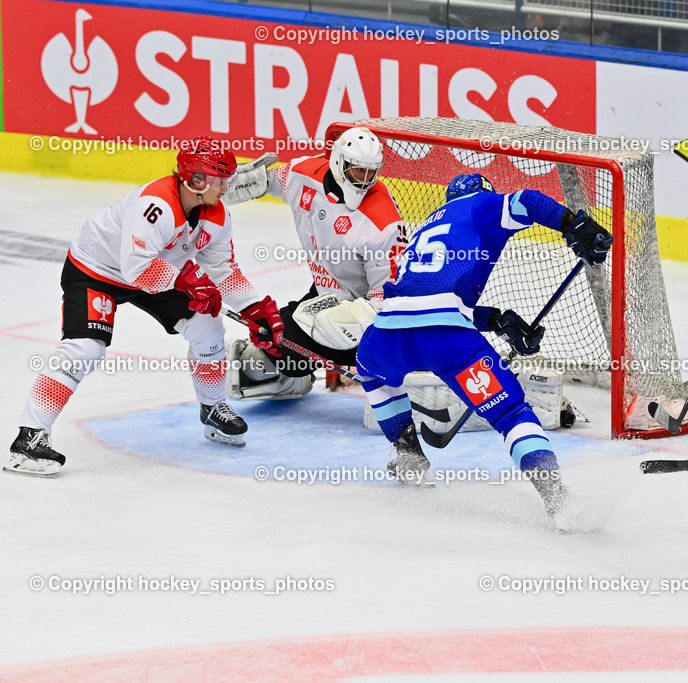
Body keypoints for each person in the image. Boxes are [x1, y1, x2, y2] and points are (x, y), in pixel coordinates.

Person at [7, 137, 285, 477]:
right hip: (97, 270)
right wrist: (189, 281)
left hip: (162, 268)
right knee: (85, 349)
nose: (227, 187)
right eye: (220, 179)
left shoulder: (217, 215)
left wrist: (254, 308)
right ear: (196, 180)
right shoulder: (155, 206)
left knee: (208, 324)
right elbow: (136, 269)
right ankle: (29, 438)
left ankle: (213, 408)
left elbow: (223, 269)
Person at [354, 174, 612, 525]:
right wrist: (573, 224)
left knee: (372, 374)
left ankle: (408, 456)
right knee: (510, 414)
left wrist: (498, 321)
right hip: (449, 344)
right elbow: (526, 200)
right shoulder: (480, 204)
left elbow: (426, 301)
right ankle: (558, 500)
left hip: (386, 337)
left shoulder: (427, 226)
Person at [222, 126, 407, 399]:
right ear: (339, 163)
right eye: (359, 171)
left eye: (372, 172)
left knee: (276, 345)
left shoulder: (385, 225)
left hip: (364, 319)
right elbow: (271, 180)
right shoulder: (303, 175)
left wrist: (337, 323)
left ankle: (407, 367)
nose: (366, 180)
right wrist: (228, 184)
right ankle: (292, 377)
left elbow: (389, 302)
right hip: (325, 294)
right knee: (258, 358)